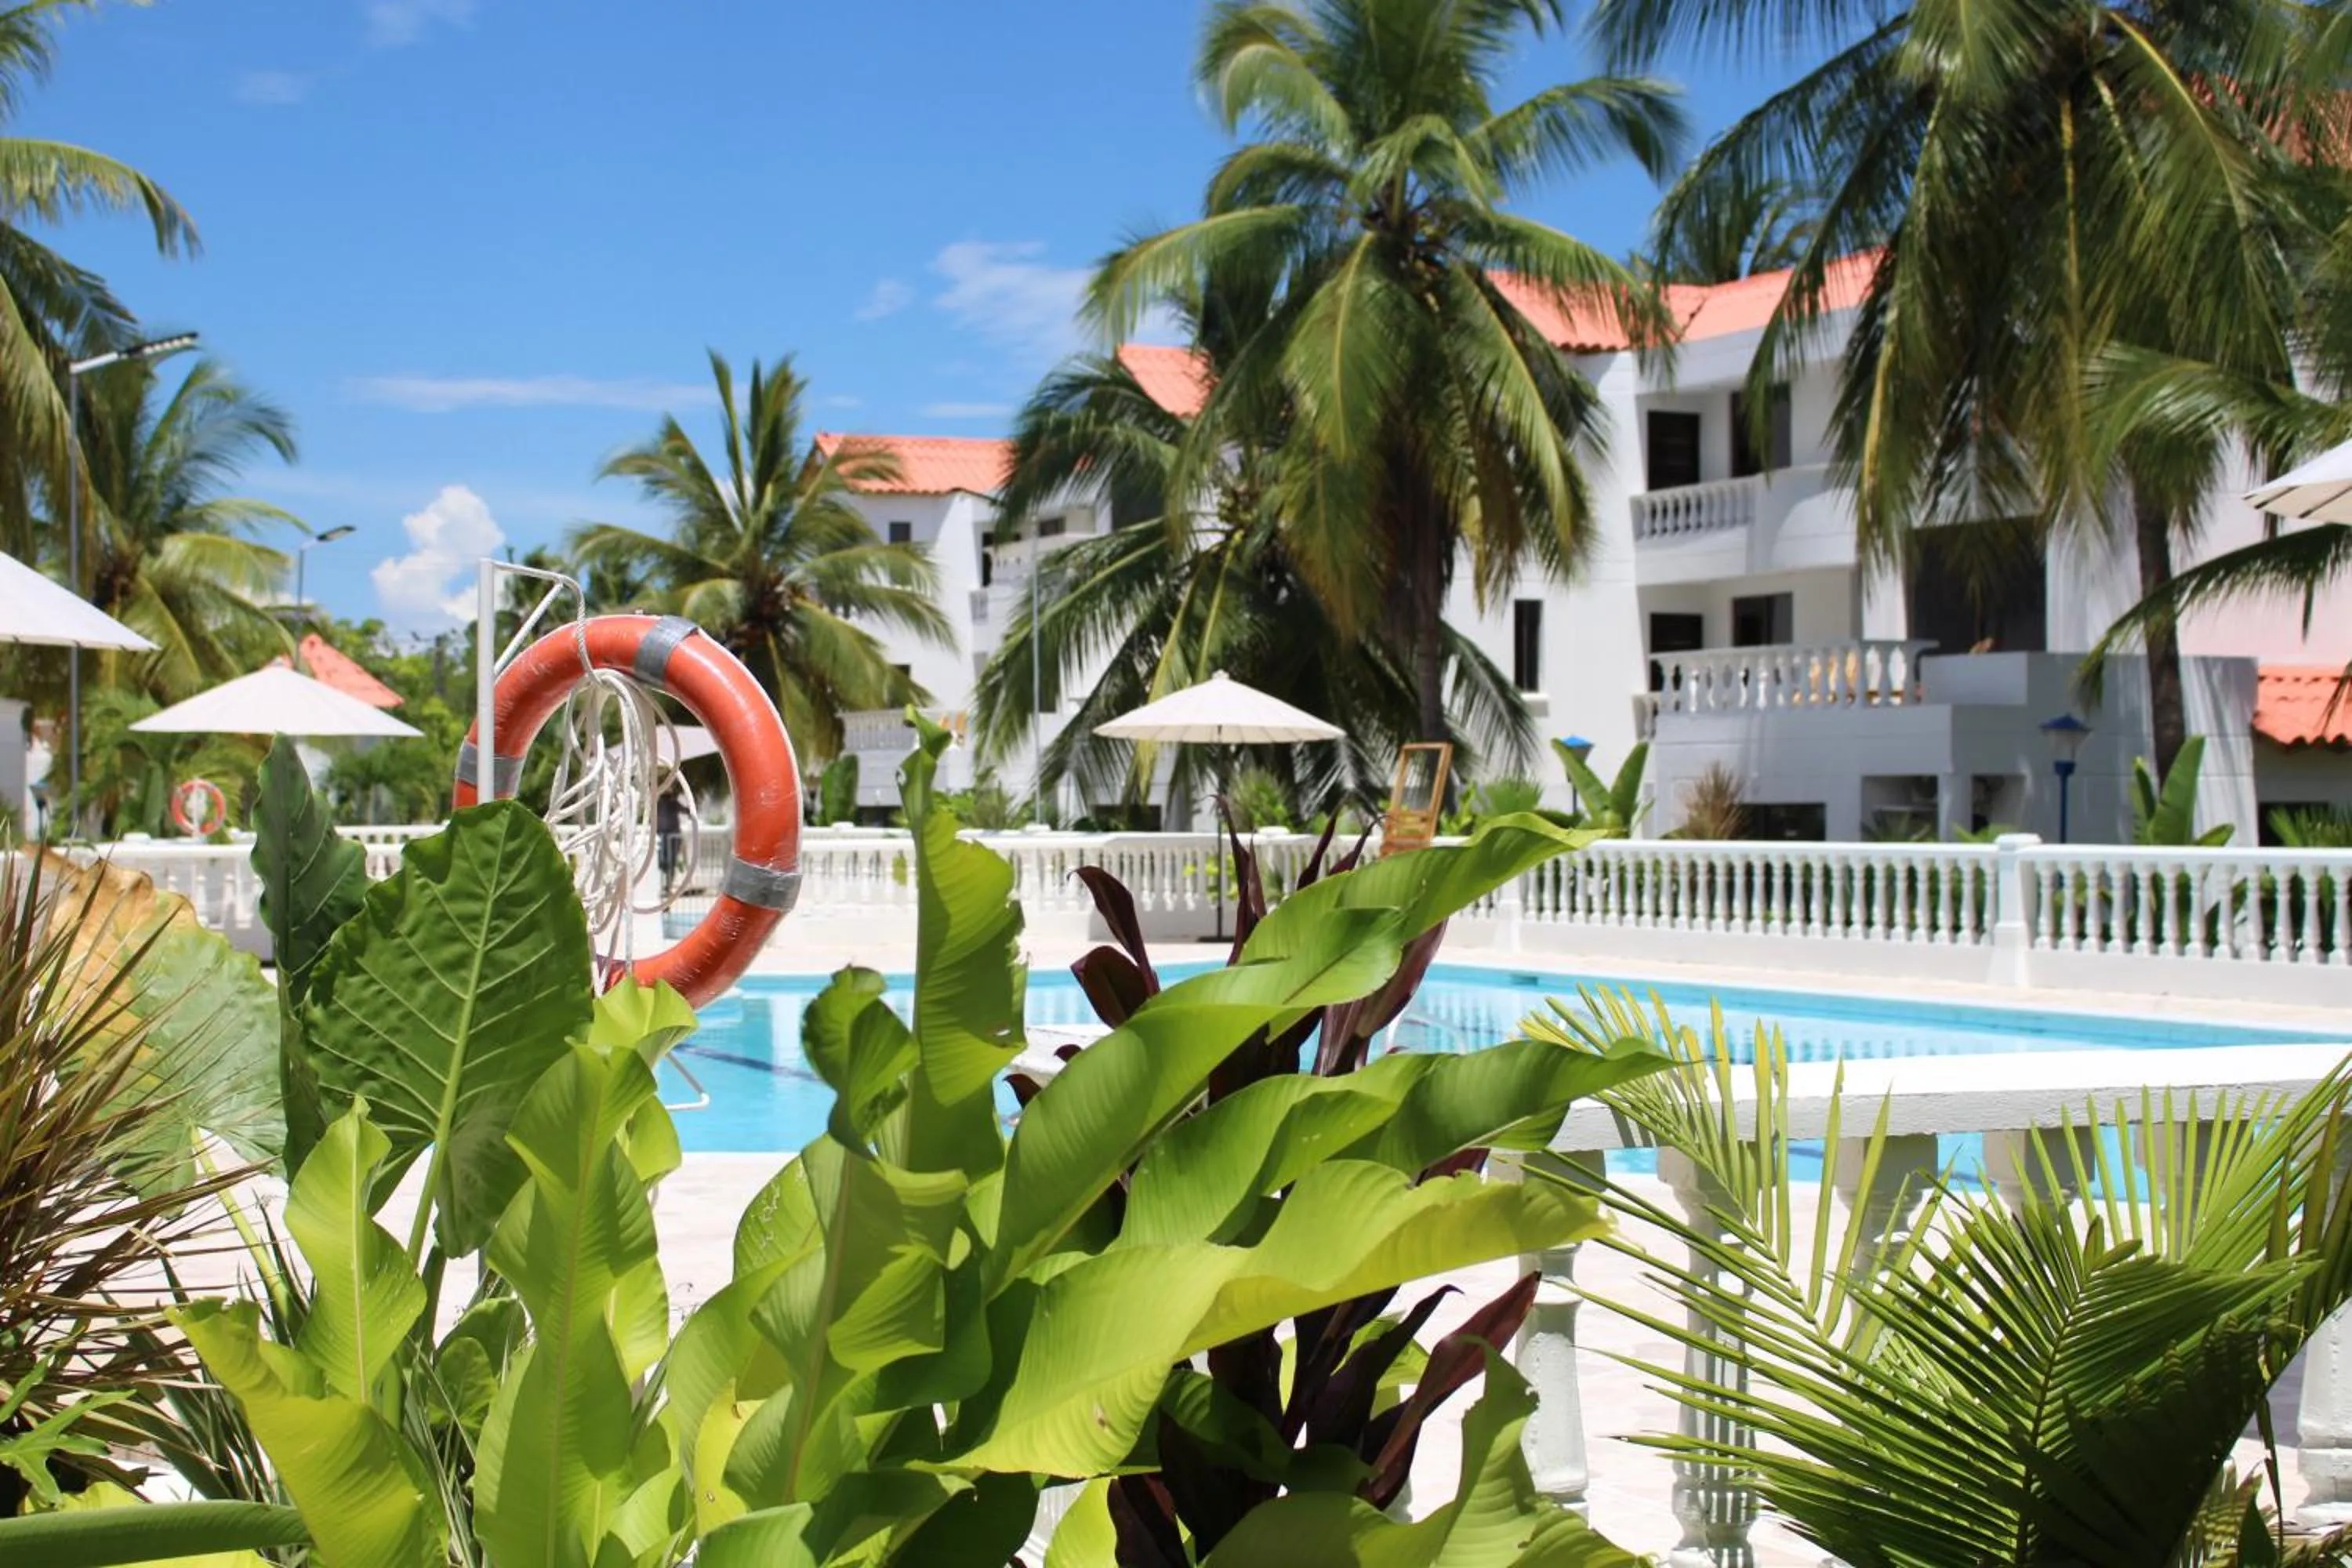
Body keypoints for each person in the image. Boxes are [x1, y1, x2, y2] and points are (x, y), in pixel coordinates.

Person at [656, 786, 683, 891]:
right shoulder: (659, 805)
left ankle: (668, 885)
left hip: (672, 837)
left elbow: (686, 810)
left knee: (670, 862)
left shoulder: (673, 804)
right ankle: (665, 884)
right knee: (664, 862)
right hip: (663, 836)